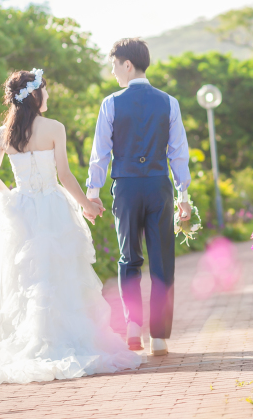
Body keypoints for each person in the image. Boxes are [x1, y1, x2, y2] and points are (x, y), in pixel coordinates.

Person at [0, 68, 143, 386]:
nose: (48, 95)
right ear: (35, 94)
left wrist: (13, 200)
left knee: (21, 280)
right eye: (45, 89)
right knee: (58, 276)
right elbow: (64, 176)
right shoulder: (54, 127)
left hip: (21, 212)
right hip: (52, 208)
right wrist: (87, 204)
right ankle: (55, 340)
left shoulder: (2, 134)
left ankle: (27, 342)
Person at [86, 38, 191, 357]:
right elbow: (178, 153)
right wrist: (183, 194)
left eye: (115, 66)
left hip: (127, 188)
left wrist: (93, 193)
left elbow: (100, 153)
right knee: (162, 261)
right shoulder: (169, 102)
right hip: (159, 186)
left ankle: (133, 329)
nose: (114, 72)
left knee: (128, 257)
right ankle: (159, 337)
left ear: (127, 64)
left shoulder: (111, 103)